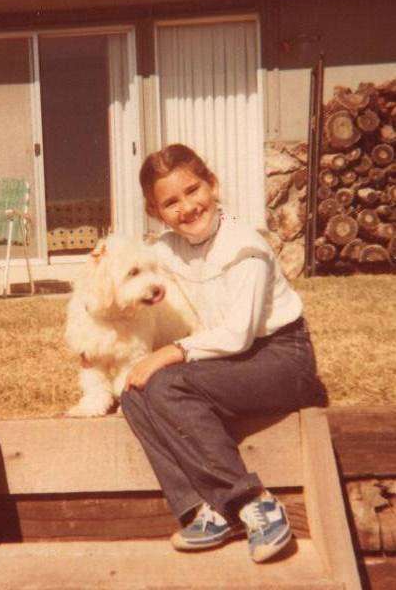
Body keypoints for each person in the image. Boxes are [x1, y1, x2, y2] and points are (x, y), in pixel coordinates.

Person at [121, 143, 326, 563]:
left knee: (167, 384)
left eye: (193, 190)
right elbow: (122, 278)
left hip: (283, 359)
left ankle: (254, 503)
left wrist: (171, 352)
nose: (187, 207)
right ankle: (206, 510)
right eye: (170, 203)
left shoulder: (244, 246)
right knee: (134, 392)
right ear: (156, 212)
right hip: (232, 360)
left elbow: (237, 335)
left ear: (212, 185)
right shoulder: (167, 249)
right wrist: (96, 339)